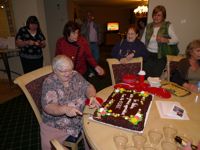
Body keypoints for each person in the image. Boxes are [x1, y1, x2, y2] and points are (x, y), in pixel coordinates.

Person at [40, 55, 101, 150]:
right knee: (50, 146)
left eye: (70, 70)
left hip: (82, 114)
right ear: (55, 70)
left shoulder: (75, 74)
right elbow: (48, 106)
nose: (68, 74)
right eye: (63, 71)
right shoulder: (49, 83)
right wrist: (65, 109)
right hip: (59, 123)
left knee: (98, 133)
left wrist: (92, 96)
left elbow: (88, 86)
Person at [141, 5, 179, 78]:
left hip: (160, 56)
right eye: (155, 15)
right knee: (146, 76)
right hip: (148, 55)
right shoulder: (148, 26)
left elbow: (176, 40)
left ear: (163, 17)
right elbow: (142, 41)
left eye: (159, 15)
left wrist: (165, 40)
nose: (156, 17)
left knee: (155, 77)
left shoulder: (167, 25)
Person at [81, 11, 101, 77]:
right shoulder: (84, 24)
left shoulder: (96, 24)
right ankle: (92, 72)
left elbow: (99, 32)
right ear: (86, 17)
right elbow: (82, 32)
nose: (89, 17)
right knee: (90, 58)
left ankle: (95, 69)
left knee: (97, 58)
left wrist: (99, 40)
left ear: (92, 17)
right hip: (88, 44)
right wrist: (87, 26)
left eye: (90, 15)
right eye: (88, 16)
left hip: (95, 44)